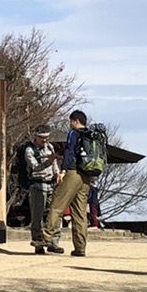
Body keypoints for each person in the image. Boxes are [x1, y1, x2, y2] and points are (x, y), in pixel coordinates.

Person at [43, 110, 102, 258]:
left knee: (57, 204)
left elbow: (70, 151)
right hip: (87, 177)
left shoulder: (73, 133)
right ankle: (80, 248)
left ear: (75, 121)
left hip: (73, 172)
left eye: (70, 121)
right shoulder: (90, 135)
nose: (70, 124)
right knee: (80, 213)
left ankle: (46, 237)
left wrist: (63, 170)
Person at [18, 123, 59, 255]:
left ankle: (53, 242)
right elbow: (35, 167)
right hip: (37, 185)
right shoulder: (29, 150)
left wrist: (57, 173)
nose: (44, 140)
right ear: (36, 137)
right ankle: (37, 242)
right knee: (37, 215)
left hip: (51, 183)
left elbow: (54, 164)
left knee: (54, 214)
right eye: (42, 137)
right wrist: (48, 162)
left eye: (46, 137)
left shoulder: (50, 147)